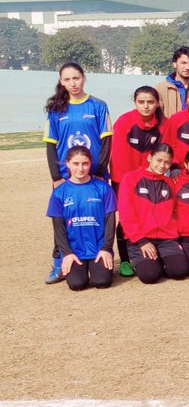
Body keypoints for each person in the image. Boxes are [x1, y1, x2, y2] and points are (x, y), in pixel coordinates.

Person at [44, 62, 112, 284]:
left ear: (84, 78)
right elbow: (51, 146)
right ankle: (59, 264)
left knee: (97, 216)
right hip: (67, 176)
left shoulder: (98, 106)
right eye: (67, 79)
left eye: (76, 78)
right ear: (61, 81)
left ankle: (103, 255)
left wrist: (101, 171)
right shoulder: (56, 110)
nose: (73, 83)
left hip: (94, 174)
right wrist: (56, 177)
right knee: (64, 218)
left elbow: (106, 141)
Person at [110, 86, 164, 277]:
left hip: (152, 176)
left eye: (150, 102)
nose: (146, 106)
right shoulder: (124, 121)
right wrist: (128, 180)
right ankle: (125, 260)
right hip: (125, 178)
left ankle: (155, 250)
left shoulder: (163, 124)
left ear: (157, 103)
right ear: (135, 103)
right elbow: (118, 156)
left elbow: (165, 152)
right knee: (125, 217)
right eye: (141, 102)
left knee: (153, 212)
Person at [117, 143, 189, 284]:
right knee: (150, 276)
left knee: (179, 272)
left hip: (167, 239)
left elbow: (176, 213)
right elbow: (126, 214)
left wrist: (177, 239)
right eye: (159, 160)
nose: (162, 166)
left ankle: (163, 259)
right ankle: (147, 262)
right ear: (149, 158)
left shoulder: (170, 183)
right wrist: (141, 240)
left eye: (167, 162)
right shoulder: (131, 179)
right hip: (141, 239)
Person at [46, 146, 116, 290]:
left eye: (85, 163)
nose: (81, 168)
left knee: (102, 282)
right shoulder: (59, 193)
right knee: (77, 284)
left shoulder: (103, 188)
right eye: (76, 164)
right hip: (75, 251)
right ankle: (71, 266)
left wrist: (106, 249)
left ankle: (100, 266)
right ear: (67, 163)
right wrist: (67, 254)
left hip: (98, 249)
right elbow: (58, 229)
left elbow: (110, 222)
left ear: (91, 163)